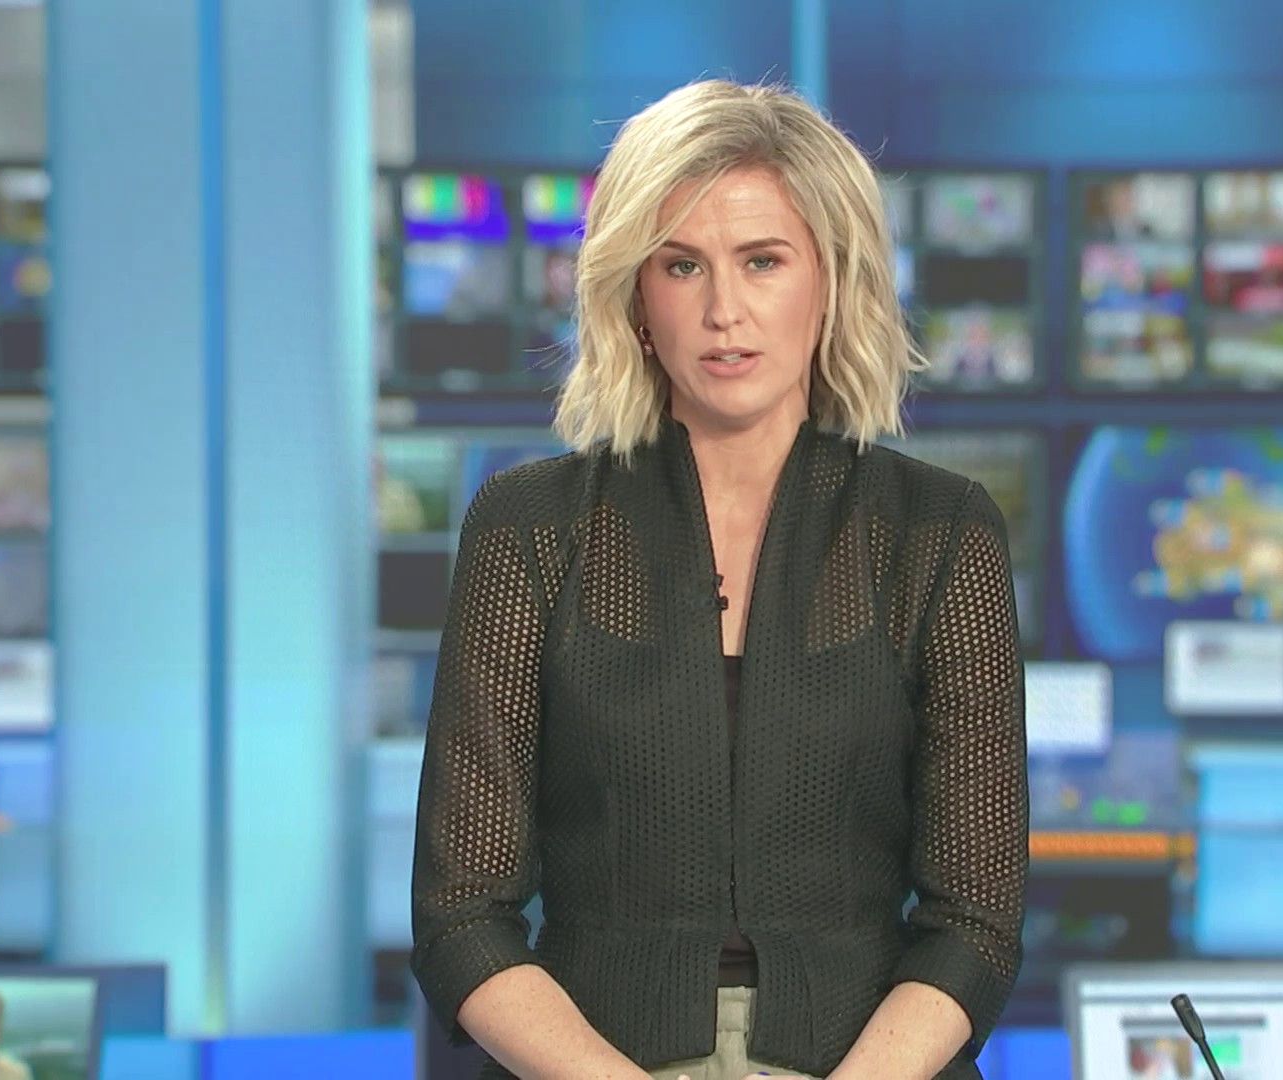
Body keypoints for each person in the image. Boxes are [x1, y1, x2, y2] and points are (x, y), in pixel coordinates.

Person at [409, 79, 1028, 1080]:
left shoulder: (939, 532)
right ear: (635, 297)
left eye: (763, 261)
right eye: (682, 265)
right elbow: (460, 918)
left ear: (832, 282)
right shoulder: (528, 529)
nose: (724, 311)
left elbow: (977, 921)